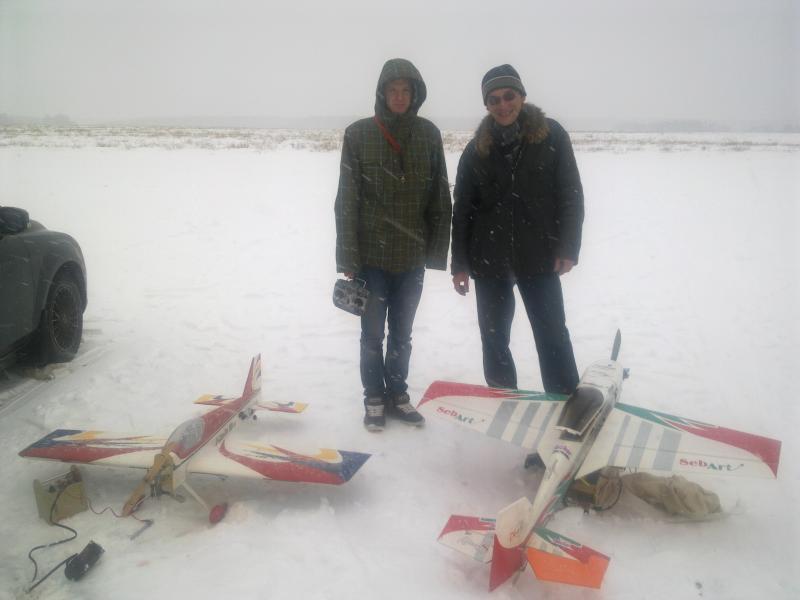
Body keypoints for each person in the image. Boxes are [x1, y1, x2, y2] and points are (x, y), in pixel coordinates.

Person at [451, 64, 583, 396]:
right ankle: (503, 398)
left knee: (552, 334)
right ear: (486, 105)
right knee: (494, 338)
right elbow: (463, 210)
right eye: (493, 99)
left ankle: (563, 399)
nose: (503, 105)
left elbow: (570, 194)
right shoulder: (475, 150)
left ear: (522, 96)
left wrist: (568, 247)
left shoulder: (551, 136)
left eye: (509, 96)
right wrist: (460, 265)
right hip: (489, 259)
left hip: (539, 253)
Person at [335, 58, 452, 432]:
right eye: (393, 90)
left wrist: (436, 253)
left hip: (411, 258)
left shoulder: (429, 134)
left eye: (406, 90)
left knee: (402, 334)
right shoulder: (358, 134)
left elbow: (440, 196)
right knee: (372, 335)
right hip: (371, 258)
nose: (399, 97)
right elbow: (347, 199)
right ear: (382, 94)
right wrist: (348, 256)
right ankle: (374, 396)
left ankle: (398, 394)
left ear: (415, 95)